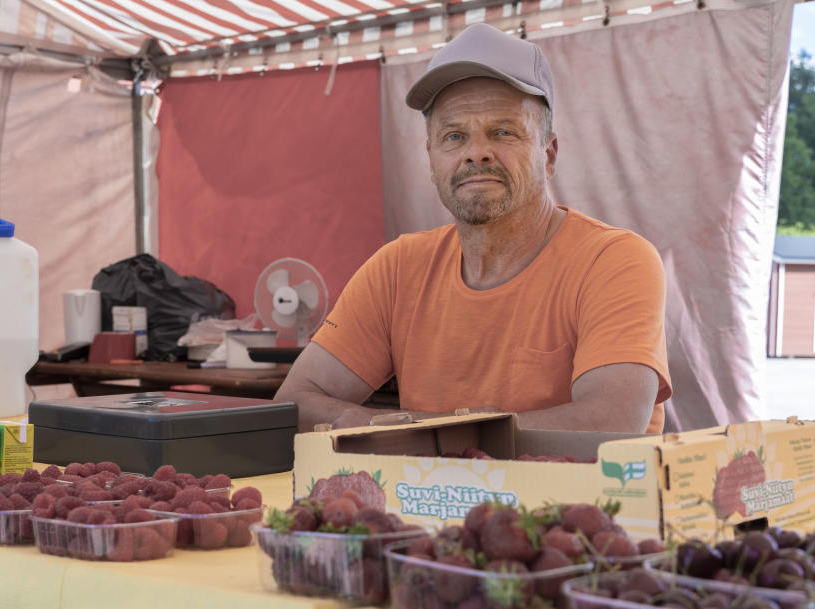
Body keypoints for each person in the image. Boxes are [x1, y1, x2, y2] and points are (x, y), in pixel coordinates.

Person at [276, 23, 672, 434]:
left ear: (548, 154)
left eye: (502, 132)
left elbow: (611, 423)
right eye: (454, 136)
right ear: (431, 159)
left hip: (580, 501)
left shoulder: (613, 260)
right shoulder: (397, 269)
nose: (476, 153)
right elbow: (294, 401)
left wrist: (407, 432)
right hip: (426, 499)